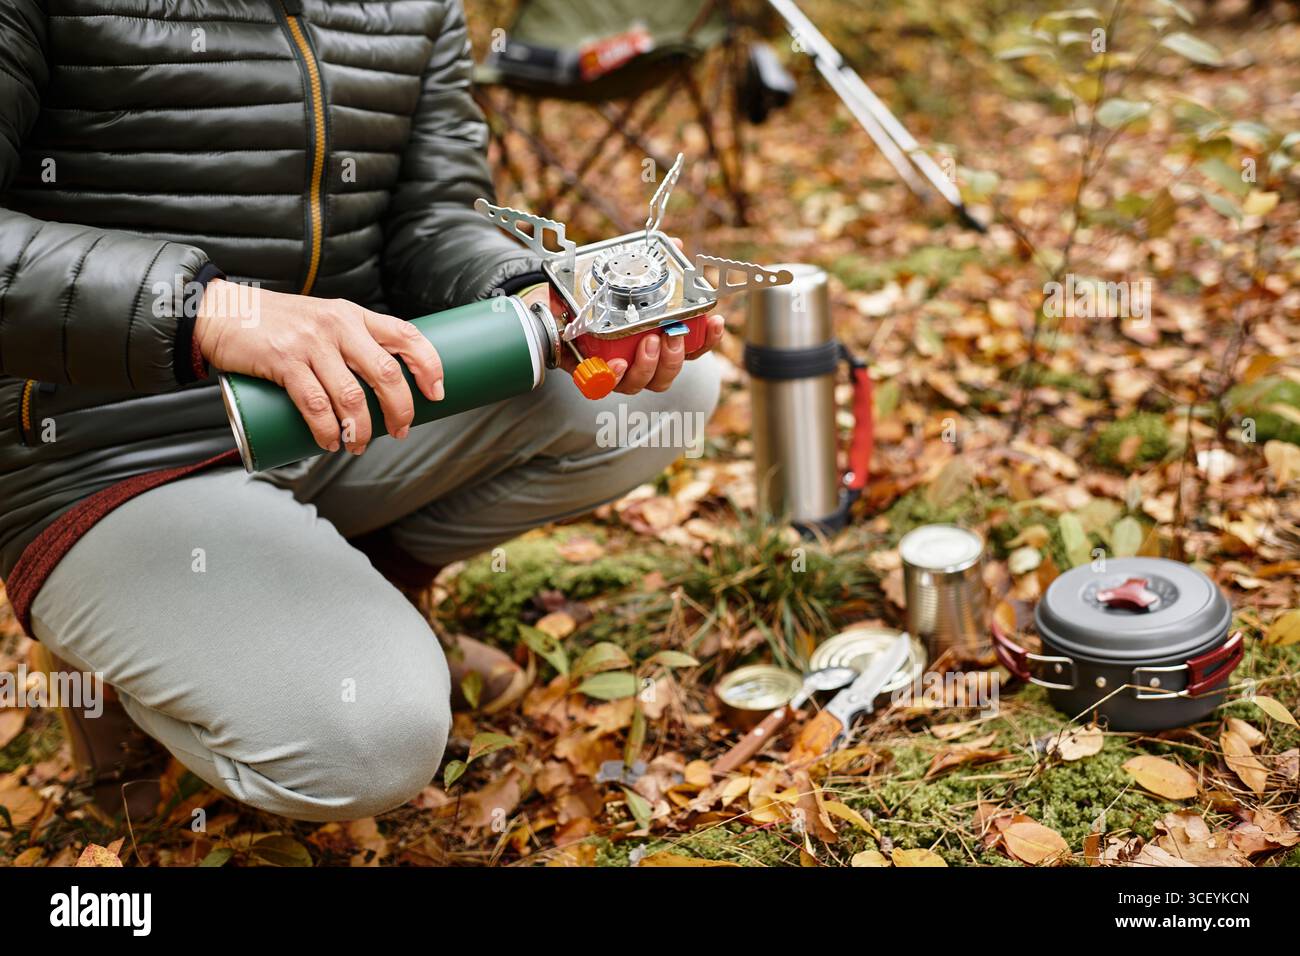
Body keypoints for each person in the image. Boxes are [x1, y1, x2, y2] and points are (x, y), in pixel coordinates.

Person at [0, 0, 720, 821]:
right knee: (370, 748)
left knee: (663, 395)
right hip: (105, 448)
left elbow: (432, 218)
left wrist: (540, 294)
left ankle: (362, 591)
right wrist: (207, 312)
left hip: (348, 401)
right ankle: (119, 664)